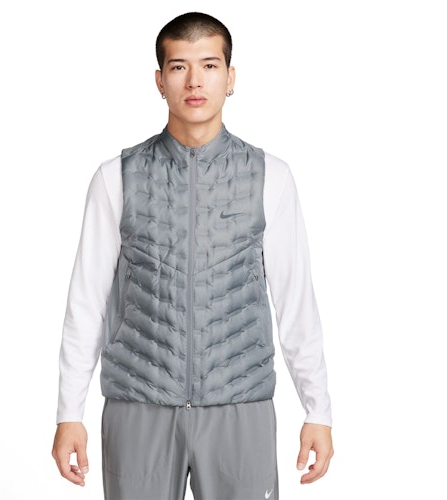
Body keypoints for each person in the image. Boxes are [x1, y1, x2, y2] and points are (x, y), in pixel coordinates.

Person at [52, 11, 333, 500]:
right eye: (179, 67)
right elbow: (86, 302)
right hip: (138, 406)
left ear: (231, 77)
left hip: (239, 408)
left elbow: (295, 303)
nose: (195, 81)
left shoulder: (271, 177)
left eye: (209, 65)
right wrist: (68, 413)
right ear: (160, 81)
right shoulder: (116, 178)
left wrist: (318, 410)